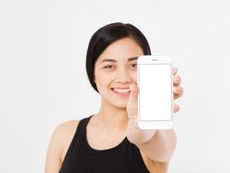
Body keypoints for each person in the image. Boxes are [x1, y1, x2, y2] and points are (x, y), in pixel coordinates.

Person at [45, 22, 184, 173]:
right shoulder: (64, 134)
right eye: (109, 66)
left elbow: (144, 137)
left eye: (134, 66)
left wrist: (142, 118)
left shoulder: (156, 133)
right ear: (93, 74)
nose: (123, 78)